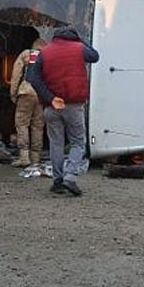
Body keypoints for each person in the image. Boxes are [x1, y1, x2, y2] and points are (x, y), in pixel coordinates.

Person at [28, 27, 100, 197]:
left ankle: (58, 181)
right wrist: (80, 41)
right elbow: (95, 56)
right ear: (74, 38)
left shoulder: (44, 52)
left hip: (51, 106)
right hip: (73, 105)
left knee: (56, 144)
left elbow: (33, 78)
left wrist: (50, 98)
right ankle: (70, 176)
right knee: (77, 142)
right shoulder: (79, 48)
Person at [9, 34, 45, 168]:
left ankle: (24, 156)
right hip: (41, 94)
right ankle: (36, 158)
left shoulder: (26, 54)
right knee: (38, 125)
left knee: (22, 124)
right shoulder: (48, 56)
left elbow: (16, 74)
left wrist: (13, 93)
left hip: (26, 92)